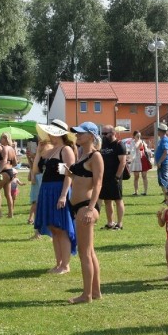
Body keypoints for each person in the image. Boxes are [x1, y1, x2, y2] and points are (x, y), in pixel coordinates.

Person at [65, 122, 104, 303]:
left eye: (81, 134)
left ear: (91, 136)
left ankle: (86, 295)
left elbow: (98, 184)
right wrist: (68, 173)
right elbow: (80, 178)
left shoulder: (96, 156)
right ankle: (95, 292)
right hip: (78, 205)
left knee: (84, 253)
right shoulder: (82, 155)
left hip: (86, 206)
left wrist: (90, 208)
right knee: (90, 252)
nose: (77, 136)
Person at [34, 120, 77, 273]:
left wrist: (63, 195)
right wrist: (39, 152)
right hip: (47, 190)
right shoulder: (51, 150)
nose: (49, 134)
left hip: (58, 190)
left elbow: (68, 175)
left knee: (61, 228)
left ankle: (65, 265)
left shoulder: (65, 150)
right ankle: (58, 263)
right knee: (53, 228)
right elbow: (36, 171)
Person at [98, 125, 127, 230]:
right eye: (103, 133)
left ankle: (120, 224)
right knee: (107, 200)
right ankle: (110, 223)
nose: (104, 136)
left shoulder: (119, 145)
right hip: (104, 176)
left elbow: (122, 162)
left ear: (113, 133)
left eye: (106, 133)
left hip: (115, 177)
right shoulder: (103, 144)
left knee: (118, 200)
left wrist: (117, 177)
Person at [128, 131, 151, 196]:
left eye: (139, 136)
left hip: (143, 160)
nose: (139, 137)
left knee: (144, 176)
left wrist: (148, 152)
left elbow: (146, 150)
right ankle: (136, 191)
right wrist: (138, 146)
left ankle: (145, 191)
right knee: (136, 177)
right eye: (137, 136)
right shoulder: (132, 142)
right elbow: (132, 151)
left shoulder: (142, 141)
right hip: (136, 160)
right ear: (134, 136)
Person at [153, 123, 168, 191]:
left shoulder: (164, 140)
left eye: (158, 130)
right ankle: (166, 198)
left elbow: (166, 152)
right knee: (162, 181)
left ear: (160, 131)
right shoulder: (162, 140)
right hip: (162, 163)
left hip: (163, 163)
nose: (157, 132)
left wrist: (160, 162)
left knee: (163, 181)